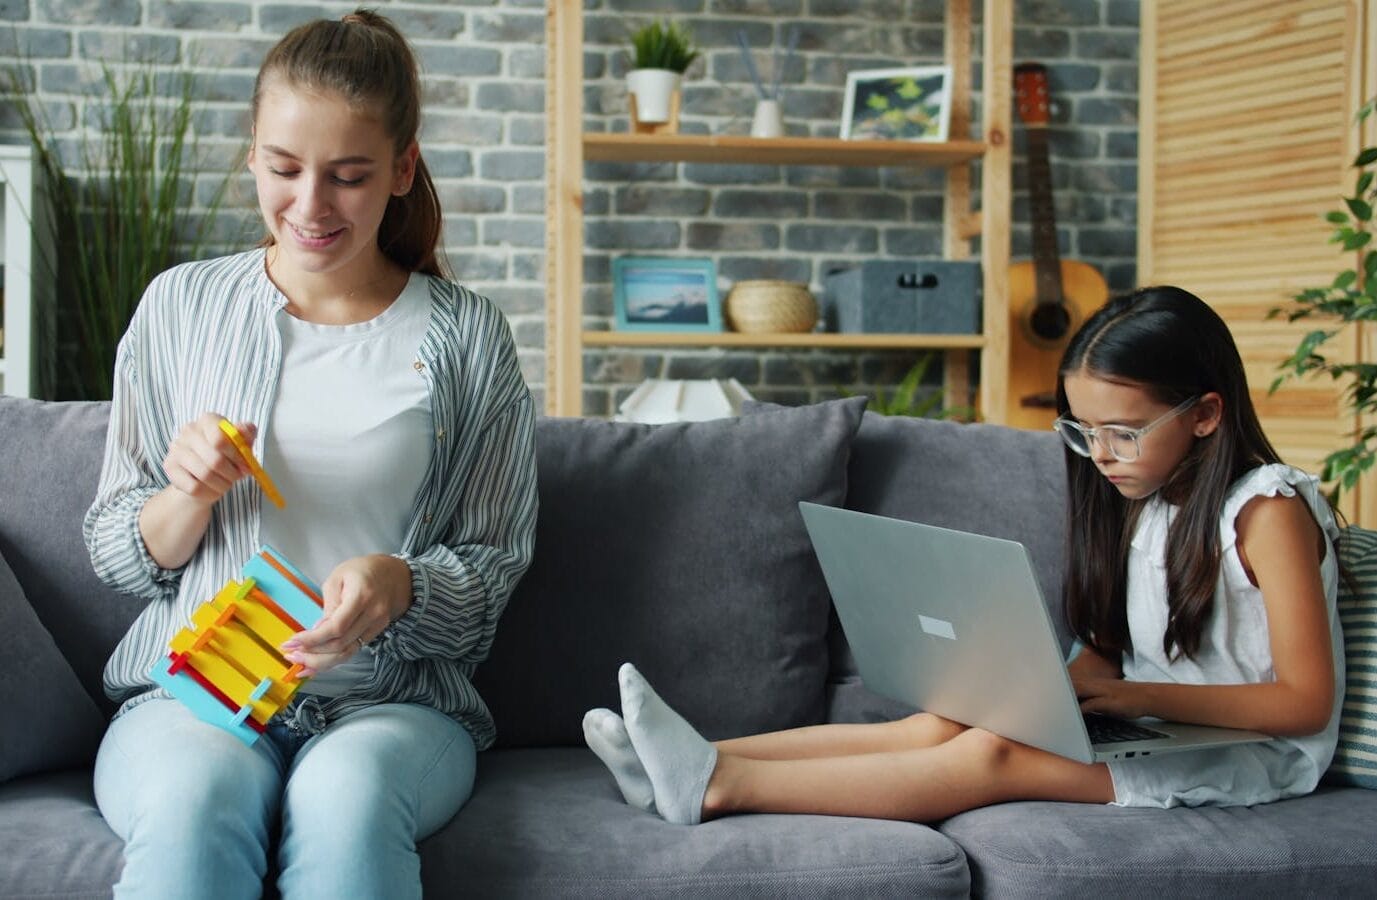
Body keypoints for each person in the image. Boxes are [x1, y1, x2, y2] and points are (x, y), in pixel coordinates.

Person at [583, 285, 1343, 824]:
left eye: (1124, 431)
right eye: (1084, 430)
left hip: (1252, 753)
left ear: (1206, 414)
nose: (1101, 456)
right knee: (933, 725)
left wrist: (1136, 699)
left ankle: (717, 786)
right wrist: (1045, 691)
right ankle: (685, 754)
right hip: (1161, 727)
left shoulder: (1266, 510)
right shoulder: (1144, 502)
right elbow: (1110, 654)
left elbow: (1302, 703)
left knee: (987, 759)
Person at [83, 10, 537, 898]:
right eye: (284, 169)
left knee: (348, 795)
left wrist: (402, 585)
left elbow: (490, 578)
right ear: (252, 154)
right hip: (199, 693)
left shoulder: (469, 337)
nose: (310, 207)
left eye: (349, 176)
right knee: (190, 796)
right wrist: (185, 495)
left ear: (402, 169)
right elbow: (114, 551)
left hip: (395, 707)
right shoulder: (179, 308)